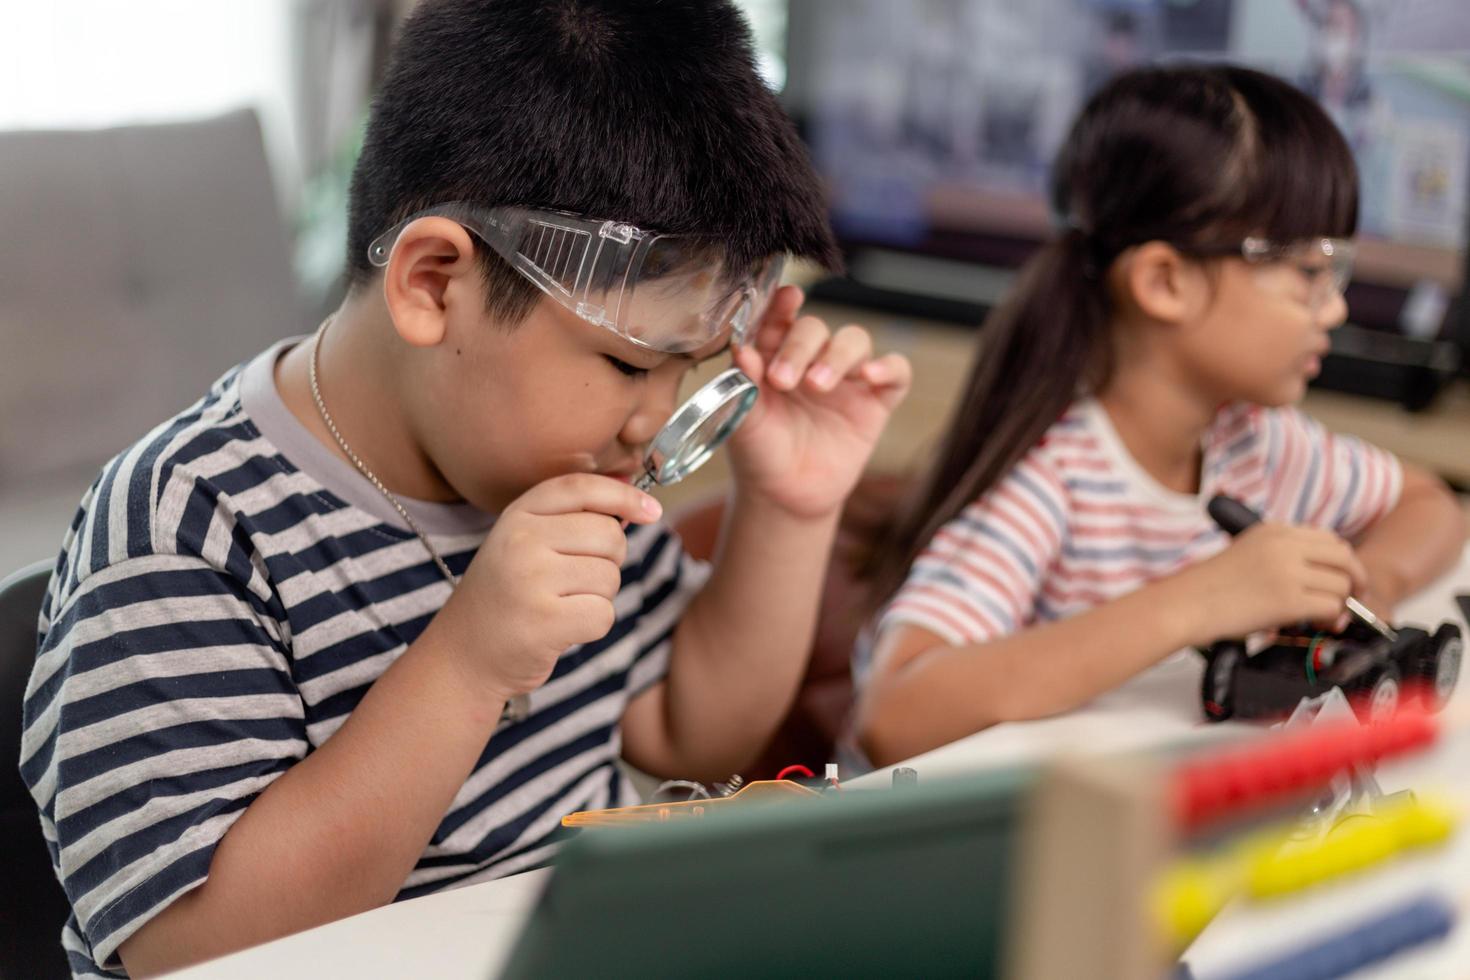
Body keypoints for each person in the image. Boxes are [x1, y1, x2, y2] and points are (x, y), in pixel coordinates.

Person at [19, 2, 911, 975]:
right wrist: (471, 660)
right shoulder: (183, 525)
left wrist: (791, 507)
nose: (650, 416)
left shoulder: (559, 470)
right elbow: (197, 946)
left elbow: (692, 728)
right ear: (435, 282)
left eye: (686, 368)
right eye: (625, 363)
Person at [854, 64, 1464, 767]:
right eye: (1307, 270)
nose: (1335, 307)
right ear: (1164, 281)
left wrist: (1366, 584)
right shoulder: (1056, 478)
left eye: (1339, 270)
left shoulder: (1257, 442)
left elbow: (1430, 503)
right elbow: (893, 715)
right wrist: (1201, 601)